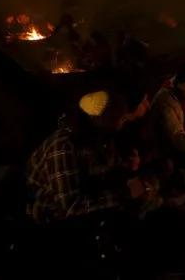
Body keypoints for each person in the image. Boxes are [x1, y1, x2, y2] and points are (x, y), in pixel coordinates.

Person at [26, 91, 156, 225]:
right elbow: (70, 205)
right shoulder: (64, 146)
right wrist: (124, 193)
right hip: (47, 213)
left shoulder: (95, 137)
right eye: (121, 118)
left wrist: (125, 166)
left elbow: (100, 165)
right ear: (106, 122)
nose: (124, 121)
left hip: (80, 197)